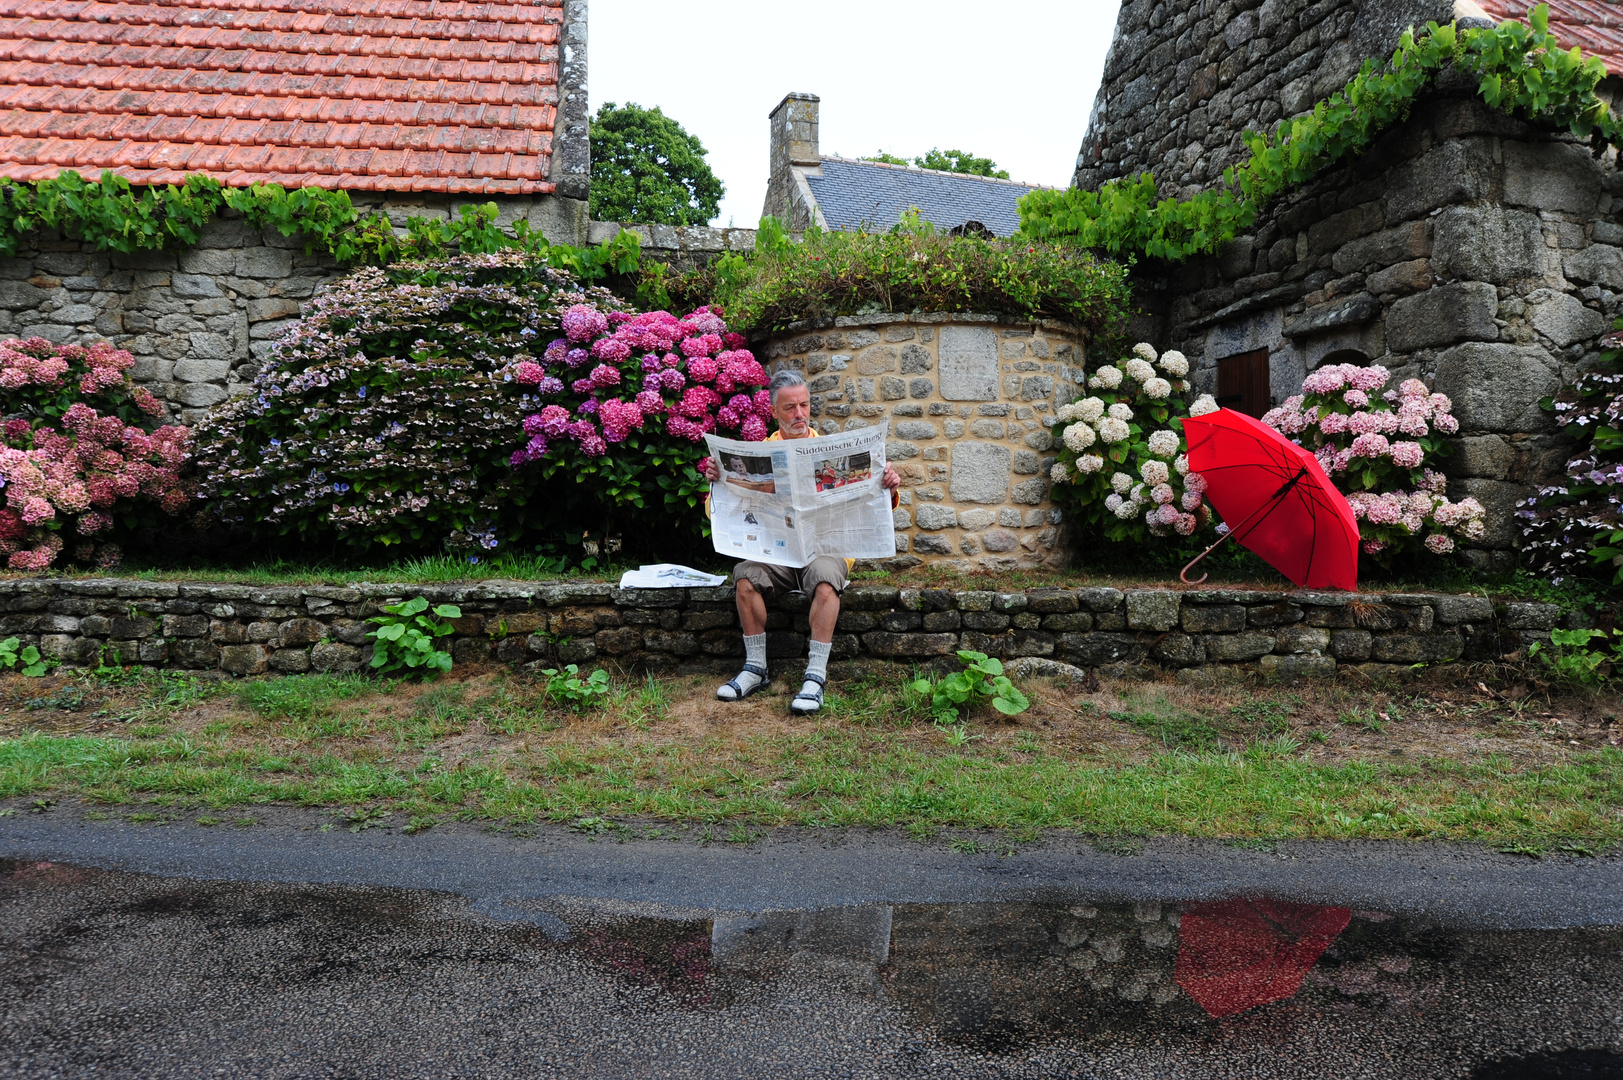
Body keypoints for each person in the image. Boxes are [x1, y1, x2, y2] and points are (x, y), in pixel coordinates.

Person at [702, 369, 900, 714]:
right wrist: (717, 483)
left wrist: (889, 487)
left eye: (804, 405)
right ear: (774, 411)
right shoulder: (757, 453)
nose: (799, 414)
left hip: (823, 550)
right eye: (790, 408)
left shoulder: (829, 449)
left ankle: (814, 676)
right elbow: (717, 513)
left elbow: (869, 502)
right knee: (745, 577)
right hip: (776, 554)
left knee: (826, 581)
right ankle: (755, 669)